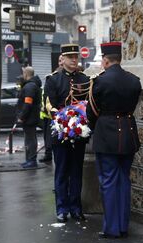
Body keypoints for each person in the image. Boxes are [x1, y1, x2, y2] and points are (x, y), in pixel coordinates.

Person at [87, 41, 142, 239]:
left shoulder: (99, 81)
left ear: (105, 60)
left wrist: (96, 127)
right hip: (128, 135)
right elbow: (132, 106)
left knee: (108, 181)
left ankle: (112, 228)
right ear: (120, 58)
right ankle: (123, 226)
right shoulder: (134, 80)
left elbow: (92, 112)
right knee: (124, 181)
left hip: (106, 135)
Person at [44, 44, 90, 223]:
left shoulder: (84, 79)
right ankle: (62, 208)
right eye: (69, 57)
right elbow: (49, 105)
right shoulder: (53, 80)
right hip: (60, 133)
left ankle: (76, 208)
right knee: (62, 172)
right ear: (61, 59)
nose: (73, 60)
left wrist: (80, 121)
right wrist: (63, 120)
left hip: (79, 133)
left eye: (75, 57)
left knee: (77, 171)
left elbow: (88, 103)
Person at [39, 55, 63, 163]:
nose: (61, 62)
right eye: (59, 60)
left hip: (60, 117)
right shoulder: (52, 78)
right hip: (48, 114)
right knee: (49, 138)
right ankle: (48, 153)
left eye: (62, 60)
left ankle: (49, 153)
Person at [16, 67, 42, 168]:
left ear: (26, 74)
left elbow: (27, 104)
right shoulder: (31, 85)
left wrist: (22, 116)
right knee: (29, 139)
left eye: (23, 74)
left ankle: (31, 160)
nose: (22, 76)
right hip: (31, 117)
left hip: (29, 118)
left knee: (30, 140)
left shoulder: (29, 87)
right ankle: (29, 159)